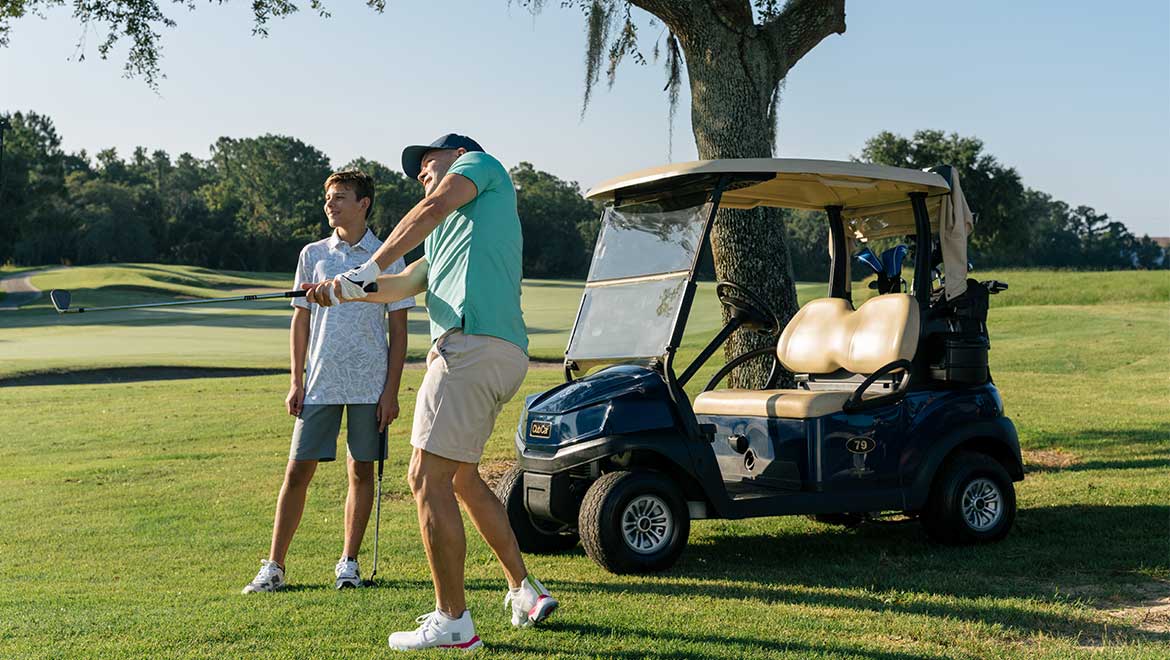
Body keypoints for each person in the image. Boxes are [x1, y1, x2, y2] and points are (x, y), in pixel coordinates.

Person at [305, 134, 556, 651]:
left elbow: (431, 207)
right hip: (496, 352)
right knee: (460, 477)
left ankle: (453, 621)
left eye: (428, 162)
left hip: (470, 346)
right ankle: (523, 588)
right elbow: (400, 285)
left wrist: (367, 268)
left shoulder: (479, 164)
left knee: (424, 477)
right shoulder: (449, 235)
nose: (421, 173)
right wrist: (343, 290)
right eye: (418, 169)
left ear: (458, 156)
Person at [242, 170, 414, 593]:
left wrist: (391, 392)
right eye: (328, 198)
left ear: (363, 203)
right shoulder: (313, 254)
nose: (330, 204)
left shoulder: (388, 255)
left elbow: (399, 333)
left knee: (360, 472)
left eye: (340, 197)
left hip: (370, 385)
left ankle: (348, 564)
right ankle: (274, 567)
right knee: (296, 472)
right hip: (320, 382)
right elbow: (300, 320)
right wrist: (295, 380)